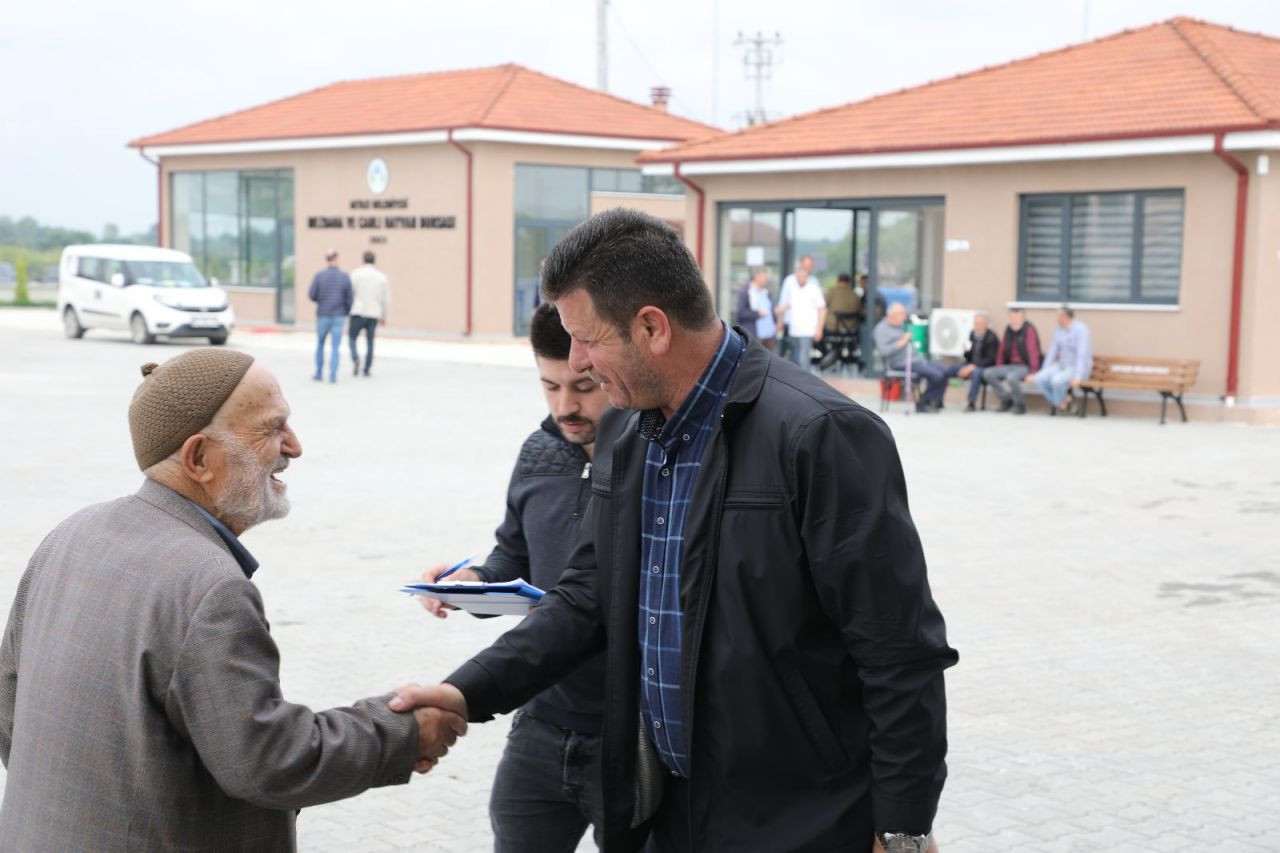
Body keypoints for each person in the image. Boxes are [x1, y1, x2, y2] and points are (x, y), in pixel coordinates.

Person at [390, 209, 955, 853]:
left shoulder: (820, 435)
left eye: (586, 339)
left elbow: (899, 653)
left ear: (652, 327)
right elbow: (584, 601)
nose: (578, 362)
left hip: (806, 819)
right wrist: (467, 690)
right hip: (668, 809)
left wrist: (903, 828)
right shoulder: (625, 433)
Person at [0, 349, 464, 850]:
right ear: (198, 458)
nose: (295, 446)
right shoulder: (209, 587)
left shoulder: (71, 534)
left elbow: (10, 714)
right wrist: (400, 733)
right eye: (272, 429)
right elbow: (266, 763)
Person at [419, 302, 611, 852]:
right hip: (540, 718)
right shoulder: (538, 451)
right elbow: (512, 559)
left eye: (583, 387)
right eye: (549, 387)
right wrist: (468, 582)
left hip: (630, 733)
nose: (565, 407)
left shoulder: (653, 462)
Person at [874, 302, 948, 413]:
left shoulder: (898, 327)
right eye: (902, 315)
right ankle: (924, 402)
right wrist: (902, 342)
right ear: (892, 315)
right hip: (901, 364)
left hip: (916, 361)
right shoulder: (881, 329)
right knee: (937, 375)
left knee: (944, 371)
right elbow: (885, 351)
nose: (904, 318)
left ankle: (932, 401)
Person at [1032, 305, 1093, 415]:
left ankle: (1061, 402)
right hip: (1062, 365)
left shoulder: (1081, 330)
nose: (1056, 319)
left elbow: (1082, 354)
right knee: (1039, 378)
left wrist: (1078, 376)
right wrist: (1044, 370)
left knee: (1056, 381)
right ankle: (1065, 401)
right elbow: (1052, 352)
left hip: (1075, 367)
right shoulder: (1059, 330)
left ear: (1064, 317)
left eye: (1058, 316)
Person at [982, 307, 1042, 415]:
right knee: (988, 373)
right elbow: (1002, 350)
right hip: (1010, 365)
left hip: (1024, 366)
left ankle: (1020, 405)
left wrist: (1033, 372)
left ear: (1023, 318)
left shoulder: (1029, 330)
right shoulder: (1008, 330)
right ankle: (1006, 400)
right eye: (1012, 318)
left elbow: (1033, 352)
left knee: (1011, 377)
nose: (1014, 320)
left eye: (1017, 318)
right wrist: (998, 366)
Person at [940, 312, 999, 412]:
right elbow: (967, 356)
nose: (976, 326)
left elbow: (991, 359)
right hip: (970, 363)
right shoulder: (972, 334)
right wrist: (966, 350)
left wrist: (974, 366)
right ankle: (938, 399)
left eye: (979, 323)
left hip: (983, 366)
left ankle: (971, 403)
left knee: (976, 373)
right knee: (947, 370)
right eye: (975, 323)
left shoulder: (992, 337)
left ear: (985, 324)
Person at [309, 249, 352, 383]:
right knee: (335, 346)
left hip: (323, 314)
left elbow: (312, 295)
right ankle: (333, 375)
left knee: (320, 344)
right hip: (339, 315)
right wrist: (346, 311)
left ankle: (319, 373)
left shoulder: (319, 276)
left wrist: (321, 301)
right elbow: (350, 298)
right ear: (336, 259)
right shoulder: (344, 277)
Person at [774, 261, 826, 369]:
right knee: (795, 358)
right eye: (798, 277)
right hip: (794, 330)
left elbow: (822, 309)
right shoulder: (793, 290)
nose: (800, 279)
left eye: (802, 277)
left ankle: (804, 383)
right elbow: (785, 305)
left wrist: (819, 329)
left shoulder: (814, 289)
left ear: (806, 276)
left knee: (804, 359)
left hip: (807, 330)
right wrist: (780, 317)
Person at [349, 250, 391, 377]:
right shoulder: (382, 277)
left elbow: (350, 294)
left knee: (352, 338)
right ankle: (367, 368)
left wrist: (348, 310)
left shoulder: (355, 274)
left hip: (358, 311)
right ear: (374, 260)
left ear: (363, 260)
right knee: (370, 341)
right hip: (374, 313)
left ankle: (355, 358)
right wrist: (384, 316)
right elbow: (386, 299)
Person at [734, 267, 777, 351]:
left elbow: (771, 310)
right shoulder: (746, 291)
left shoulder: (766, 291)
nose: (766, 280)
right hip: (756, 336)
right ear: (756, 277)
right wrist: (758, 313)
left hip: (770, 335)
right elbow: (741, 314)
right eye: (764, 277)